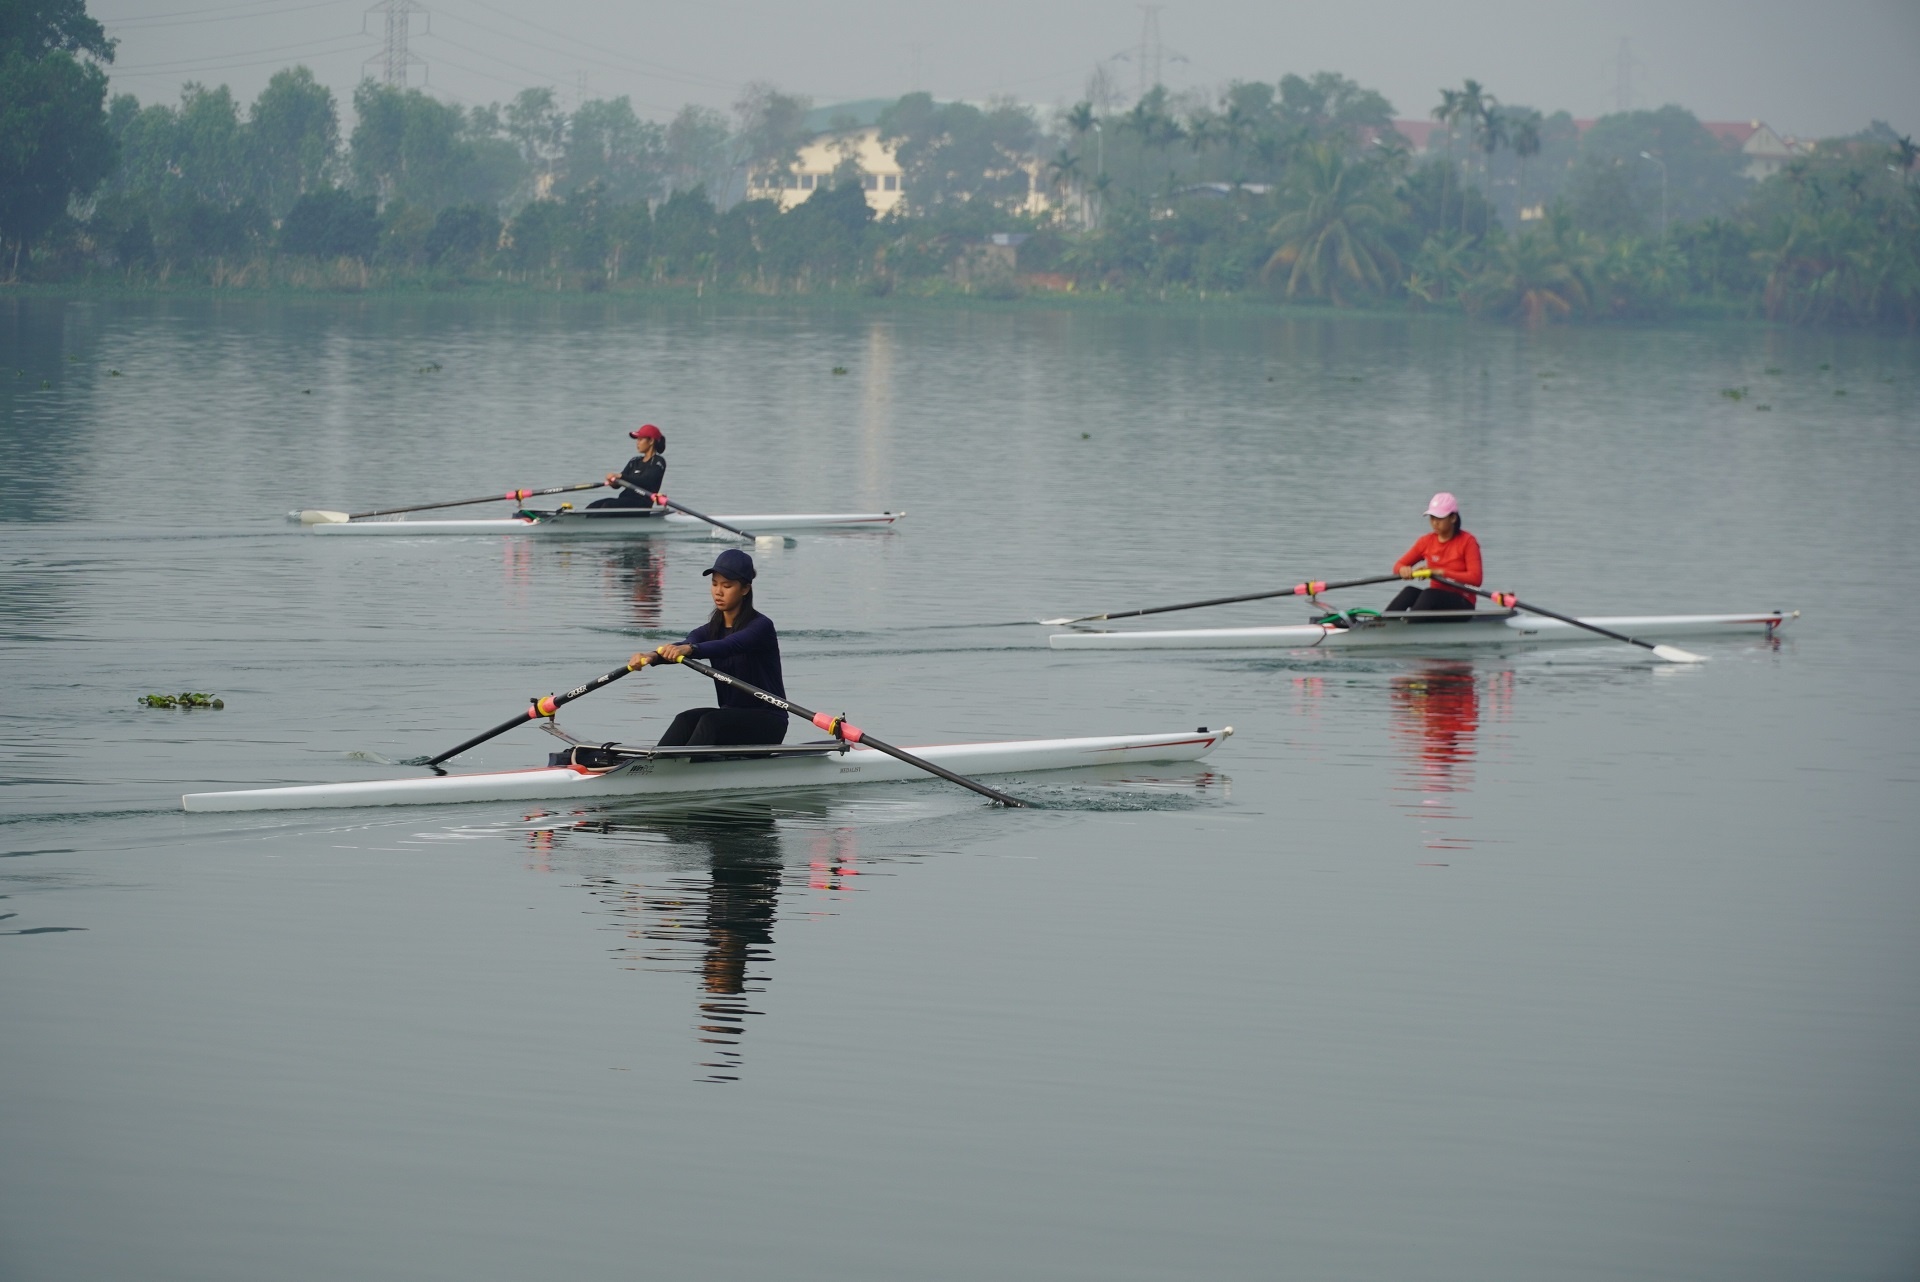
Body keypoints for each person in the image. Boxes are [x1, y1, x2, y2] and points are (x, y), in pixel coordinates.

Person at [633, 548, 789, 747]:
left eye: (727, 585)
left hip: (769, 722)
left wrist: (692, 649)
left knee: (711, 722)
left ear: (745, 589)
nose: (718, 592)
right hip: (730, 717)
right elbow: (686, 643)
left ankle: (685, 765)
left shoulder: (761, 627)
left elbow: (729, 645)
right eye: (714, 584)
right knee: (685, 719)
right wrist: (652, 656)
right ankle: (655, 762)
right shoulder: (710, 630)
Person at [1386, 492, 1482, 613]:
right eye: (1432, 517)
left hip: (1463, 602)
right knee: (1409, 592)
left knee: (1429, 594)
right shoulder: (1426, 541)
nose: (1434, 522)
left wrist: (1440, 572)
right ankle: (1381, 622)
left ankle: (1410, 622)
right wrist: (1403, 570)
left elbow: (1476, 579)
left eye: (1439, 518)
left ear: (1453, 518)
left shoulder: (1468, 541)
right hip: (1434, 599)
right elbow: (1398, 566)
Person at [588, 423, 666, 509]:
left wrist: (621, 476)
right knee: (593, 506)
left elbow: (646, 481)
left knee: (608, 505)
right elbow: (619, 484)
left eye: (640, 439)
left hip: (641, 504)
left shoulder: (658, 461)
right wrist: (613, 482)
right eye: (637, 440)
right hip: (624, 500)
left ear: (651, 441)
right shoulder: (634, 461)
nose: (637, 443)